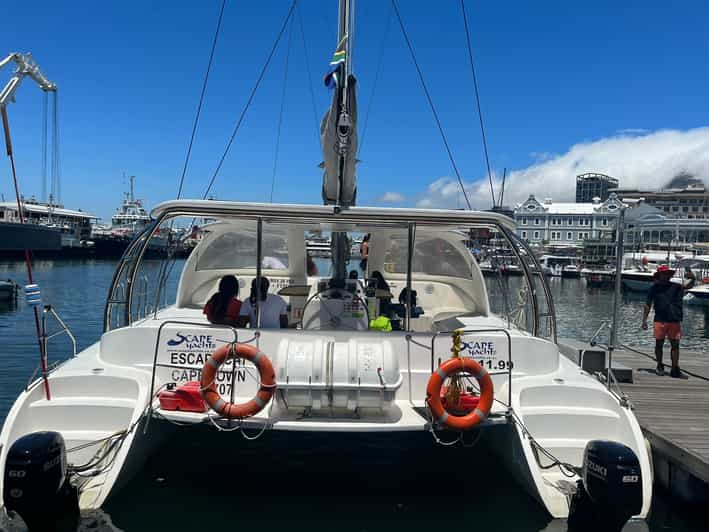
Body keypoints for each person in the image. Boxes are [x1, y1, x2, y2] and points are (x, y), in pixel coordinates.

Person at [642, 264, 685, 378]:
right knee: (659, 344)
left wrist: (692, 278)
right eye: (663, 274)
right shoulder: (653, 288)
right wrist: (644, 320)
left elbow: (688, 286)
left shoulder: (677, 287)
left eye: (667, 273)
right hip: (659, 319)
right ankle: (660, 365)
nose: (666, 275)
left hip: (674, 319)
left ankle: (675, 368)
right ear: (659, 275)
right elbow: (647, 305)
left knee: (675, 344)